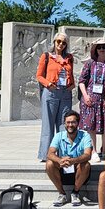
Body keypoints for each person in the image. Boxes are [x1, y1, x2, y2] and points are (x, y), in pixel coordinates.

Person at [36, 32, 75, 162]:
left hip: (65, 93)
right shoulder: (46, 56)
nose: (61, 44)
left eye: (64, 42)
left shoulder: (69, 57)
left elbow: (71, 74)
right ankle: (46, 154)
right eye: (58, 41)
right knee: (48, 125)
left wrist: (72, 85)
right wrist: (48, 84)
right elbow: (39, 76)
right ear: (54, 42)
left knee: (64, 125)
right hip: (51, 92)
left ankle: (63, 153)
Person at [45, 111, 92, 207]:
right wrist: (60, 160)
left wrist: (73, 161)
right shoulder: (58, 136)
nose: (70, 125)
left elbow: (88, 155)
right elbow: (50, 154)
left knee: (86, 164)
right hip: (63, 170)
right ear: (65, 124)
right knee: (49, 163)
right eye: (68, 122)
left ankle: (75, 193)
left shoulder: (85, 135)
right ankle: (62, 194)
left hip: (78, 172)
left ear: (78, 123)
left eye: (73, 122)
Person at [77, 38, 105, 162]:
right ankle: (93, 151)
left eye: (104, 47)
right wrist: (85, 96)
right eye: (99, 47)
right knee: (90, 127)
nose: (102, 49)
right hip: (90, 99)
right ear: (95, 50)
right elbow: (81, 81)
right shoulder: (90, 63)